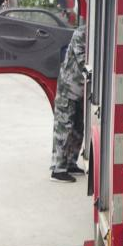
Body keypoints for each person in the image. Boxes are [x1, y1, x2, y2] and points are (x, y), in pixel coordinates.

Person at [50, 24, 87, 183]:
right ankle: (58, 169)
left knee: (78, 127)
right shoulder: (81, 33)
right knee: (64, 127)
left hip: (80, 90)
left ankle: (70, 163)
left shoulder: (92, 34)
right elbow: (83, 61)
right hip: (69, 88)